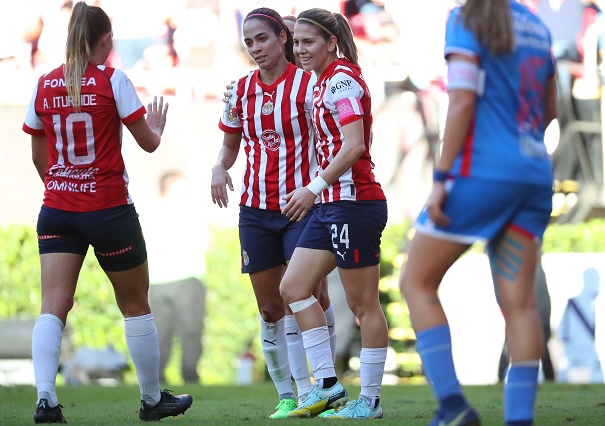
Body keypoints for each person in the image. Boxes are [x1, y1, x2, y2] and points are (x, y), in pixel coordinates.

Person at [22, 2, 192, 423]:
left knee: (53, 307)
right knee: (135, 304)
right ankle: (152, 401)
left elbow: (37, 155)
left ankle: (46, 399)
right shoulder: (113, 80)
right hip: (109, 209)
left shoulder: (44, 84)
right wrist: (157, 124)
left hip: (58, 209)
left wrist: (63, 187)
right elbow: (148, 144)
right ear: (106, 40)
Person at [398, 1, 556, 425]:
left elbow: (463, 99)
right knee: (520, 305)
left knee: (416, 281)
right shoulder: (536, 25)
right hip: (534, 170)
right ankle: (518, 421)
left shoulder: (466, 17)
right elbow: (550, 109)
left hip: (481, 173)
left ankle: (452, 408)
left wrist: (443, 177)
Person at [211, 7, 338, 419]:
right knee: (270, 307)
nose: (255, 48)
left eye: (262, 39)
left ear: (282, 38)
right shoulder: (238, 91)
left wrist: (317, 187)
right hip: (255, 210)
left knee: (306, 295)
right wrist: (218, 167)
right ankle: (288, 392)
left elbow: (333, 141)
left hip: (302, 207)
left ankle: (318, 385)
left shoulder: (309, 85)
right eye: (248, 42)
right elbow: (230, 145)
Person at [278, 7, 389, 419]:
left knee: (364, 306)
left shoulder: (341, 80)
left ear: (331, 43)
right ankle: (326, 384)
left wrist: (312, 187)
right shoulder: (323, 81)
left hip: (353, 203)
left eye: (308, 42)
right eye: (297, 42)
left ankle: (371, 401)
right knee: (293, 288)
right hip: (330, 205)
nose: (300, 50)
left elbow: (355, 143)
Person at [139, 170, 208, 384]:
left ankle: (157, 377)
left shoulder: (146, 210)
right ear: (169, 187)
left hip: (156, 280)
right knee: (191, 330)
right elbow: (206, 242)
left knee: (159, 331)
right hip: (187, 277)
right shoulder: (188, 210)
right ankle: (189, 374)